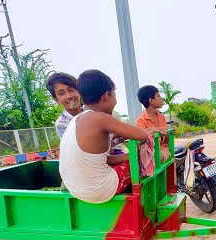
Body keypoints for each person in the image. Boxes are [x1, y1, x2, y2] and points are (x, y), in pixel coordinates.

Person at [59, 69, 150, 204]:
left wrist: (128, 156)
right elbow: (142, 135)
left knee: (129, 160)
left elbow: (100, 160)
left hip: (75, 189)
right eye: (114, 93)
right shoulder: (101, 118)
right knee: (141, 163)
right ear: (107, 95)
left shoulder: (76, 120)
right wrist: (134, 154)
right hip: (99, 191)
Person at [136, 85, 171, 163]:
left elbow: (165, 138)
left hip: (163, 149)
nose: (162, 98)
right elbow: (140, 134)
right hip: (152, 153)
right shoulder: (141, 120)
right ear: (151, 101)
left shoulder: (161, 116)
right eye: (158, 96)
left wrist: (168, 133)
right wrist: (156, 129)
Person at [46, 72, 82, 139]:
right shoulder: (62, 124)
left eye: (71, 90)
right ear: (56, 99)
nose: (69, 96)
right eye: (61, 93)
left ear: (79, 91)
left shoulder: (92, 111)